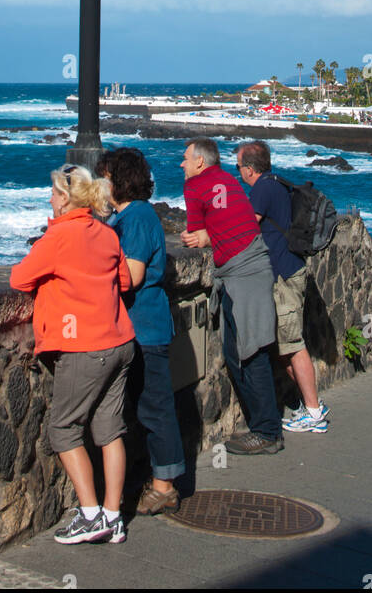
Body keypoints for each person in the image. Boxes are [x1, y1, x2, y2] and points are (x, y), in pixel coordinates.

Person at [10, 164, 135, 544]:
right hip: (120, 341)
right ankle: (113, 517)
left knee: (63, 429)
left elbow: (18, 279)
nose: (49, 198)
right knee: (110, 430)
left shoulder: (59, 236)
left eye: (53, 193)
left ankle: (90, 513)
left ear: (65, 198)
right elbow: (125, 280)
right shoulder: (106, 233)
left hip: (85, 346)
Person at [97, 147, 185, 514]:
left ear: (118, 181)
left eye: (103, 178)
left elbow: (130, 277)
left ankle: (165, 486)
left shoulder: (135, 218)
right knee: (146, 407)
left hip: (144, 329)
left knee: (155, 408)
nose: (99, 186)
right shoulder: (132, 216)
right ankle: (156, 477)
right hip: (140, 328)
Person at [180, 138, 282, 454]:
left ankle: (267, 432)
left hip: (243, 273)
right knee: (239, 350)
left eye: (185, 158)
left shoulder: (195, 186)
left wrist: (201, 237)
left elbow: (193, 234)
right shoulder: (227, 179)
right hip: (253, 264)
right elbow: (232, 222)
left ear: (200, 162)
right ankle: (263, 427)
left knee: (250, 352)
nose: (181, 164)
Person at [235, 140, 329, 433]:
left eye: (239, 167)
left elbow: (248, 226)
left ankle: (314, 413)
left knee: (292, 345)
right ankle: (307, 406)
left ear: (250, 169)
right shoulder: (275, 183)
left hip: (284, 276)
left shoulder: (262, 188)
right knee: (283, 345)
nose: (238, 172)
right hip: (288, 271)